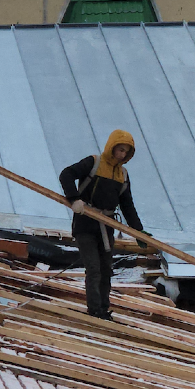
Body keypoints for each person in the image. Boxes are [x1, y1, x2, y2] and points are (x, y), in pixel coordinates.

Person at [59, 129, 145, 320]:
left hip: (106, 227)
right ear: (112, 147)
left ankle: (104, 309)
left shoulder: (122, 174)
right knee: (94, 268)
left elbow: (127, 204)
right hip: (85, 223)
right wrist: (74, 199)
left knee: (106, 269)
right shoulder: (94, 163)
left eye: (126, 152)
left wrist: (139, 231)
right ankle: (95, 310)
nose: (122, 154)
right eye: (120, 149)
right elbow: (66, 174)